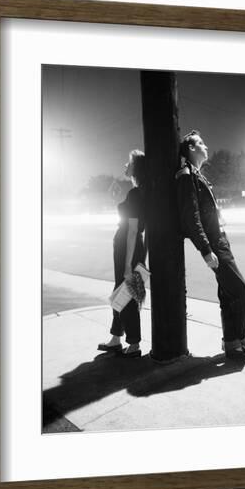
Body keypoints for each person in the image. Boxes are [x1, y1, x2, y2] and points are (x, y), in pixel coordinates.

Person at [175, 130, 245, 360]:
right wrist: (206, 249)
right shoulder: (186, 176)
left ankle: (231, 344)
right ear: (191, 148)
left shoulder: (197, 175)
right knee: (242, 290)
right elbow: (190, 218)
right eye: (201, 143)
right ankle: (241, 337)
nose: (206, 146)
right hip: (214, 243)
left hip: (219, 239)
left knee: (228, 294)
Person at [97, 150, 147, 358]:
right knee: (121, 292)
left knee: (127, 295)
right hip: (130, 246)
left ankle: (133, 344)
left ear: (137, 168)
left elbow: (134, 229)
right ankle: (116, 338)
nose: (125, 166)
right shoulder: (139, 191)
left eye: (128, 163)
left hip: (129, 247)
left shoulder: (136, 194)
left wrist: (128, 265)